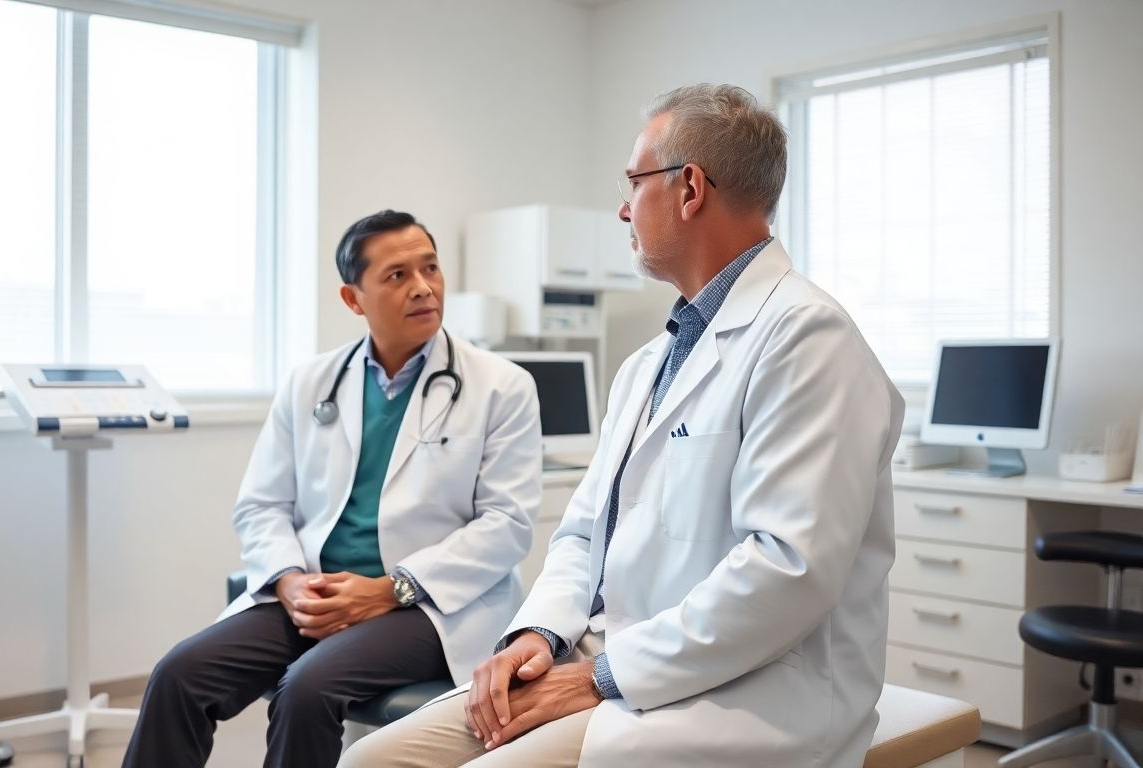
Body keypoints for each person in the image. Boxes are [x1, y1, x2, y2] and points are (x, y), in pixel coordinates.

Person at [341, 84, 903, 768]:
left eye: (634, 182)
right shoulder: (650, 362)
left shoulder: (809, 340)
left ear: (689, 188)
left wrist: (598, 677)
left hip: (746, 692)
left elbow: (787, 570)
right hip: (612, 658)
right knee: (371, 760)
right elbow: (584, 532)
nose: (621, 207)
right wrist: (539, 636)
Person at [122, 209, 543, 768]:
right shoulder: (310, 383)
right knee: (180, 675)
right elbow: (262, 504)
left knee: (307, 689)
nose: (423, 288)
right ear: (353, 298)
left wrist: (387, 590)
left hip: (427, 606)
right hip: (316, 597)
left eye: (431, 269)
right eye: (397, 276)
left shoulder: (502, 386)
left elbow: (506, 527)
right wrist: (291, 582)